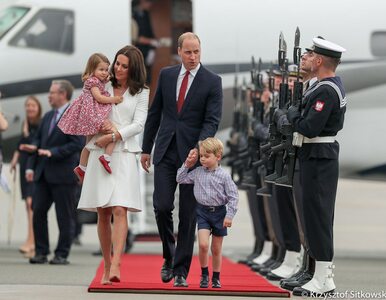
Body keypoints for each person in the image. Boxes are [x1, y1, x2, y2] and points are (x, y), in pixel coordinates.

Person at [141, 32, 223, 287]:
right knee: (162, 206)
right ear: (179, 51)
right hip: (165, 151)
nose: (193, 57)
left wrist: (199, 150)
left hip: (193, 157)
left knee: (188, 215)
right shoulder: (166, 75)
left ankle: (180, 272)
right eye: (188, 52)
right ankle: (169, 255)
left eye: (197, 51)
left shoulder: (212, 81)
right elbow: (155, 113)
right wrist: (146, 149)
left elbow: (212, 120)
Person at [276, 37, 346, 296]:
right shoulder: (321, 87)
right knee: (312, 217)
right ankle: (315, 273)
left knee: (318, 218)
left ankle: (324, 279)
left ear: (319, 61)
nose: (307, 57)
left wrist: (291, 114)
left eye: (311, 54)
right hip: (313, 154)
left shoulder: (327, 90)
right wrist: (295, 114)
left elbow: (308, 126)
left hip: (320, 155)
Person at [78, 45, 149, 285]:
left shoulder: (142, 92)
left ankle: (117, 261)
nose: (117, 68)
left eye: (123, 66)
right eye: (116, 63)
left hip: (124, 152)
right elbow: (87, 114)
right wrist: (101, 129)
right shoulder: (100, 85)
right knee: (103, 211)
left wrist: (116, 134)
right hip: (100, 150)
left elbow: (139, 124)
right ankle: (107, 265)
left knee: (120, 208)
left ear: (133, 69)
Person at [24, 80, 84, 265]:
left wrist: (53, 152)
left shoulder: (74, 116)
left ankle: (61, 254)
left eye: (52, 92)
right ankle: (41, 251)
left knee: (64, 216)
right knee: (38, 211)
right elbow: (38, 142)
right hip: (43, 174)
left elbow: (77, 144)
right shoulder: (48, 116)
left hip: (63, 175)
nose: (49, 96)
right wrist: (29, 165)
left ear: (63, 94)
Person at [176, 137, 238, 289]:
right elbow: (180, 178)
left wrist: (229, 216)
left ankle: (216, 277)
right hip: (202, 212)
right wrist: (187, 165)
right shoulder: (197, 172)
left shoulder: (224, 176)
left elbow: (233, 196)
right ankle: (204, 274)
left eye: (206, 156)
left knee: (216, 249)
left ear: (218, 156)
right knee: (203, 245)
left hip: (220, 214)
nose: (202, 159)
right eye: (201, 156)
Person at [58, 53, 123, 179]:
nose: (104, 73)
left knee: (89, 143)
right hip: (93, 115)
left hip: (89, 115)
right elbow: (99, 97)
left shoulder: (97, 80)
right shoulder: (93, 82)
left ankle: (81, 167)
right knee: (114, 133)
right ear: (92, 69)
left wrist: (109, 78)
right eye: (101, 70)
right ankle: (106, 157)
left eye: (106, 70)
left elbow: (107, 80)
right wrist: (114, 99)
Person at [10, 96, 42, 257]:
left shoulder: (40, 123)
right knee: (28, 204)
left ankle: (33, 240)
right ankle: (30, 239)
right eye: (27, 105)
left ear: (38, 107)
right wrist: (14, 162)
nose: (30, 108)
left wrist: (27, 137)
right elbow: (20, 146)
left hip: (34, 166)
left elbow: (35, 145)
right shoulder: (26, 123)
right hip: (24, 165)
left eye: (32, 105)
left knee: (32, 203)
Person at [132, 0, 159, 84]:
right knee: (138, 75)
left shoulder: (146, 14)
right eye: (148, 3)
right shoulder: (133, 14)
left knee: (147, 77)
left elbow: (150, 31)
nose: (150, 5)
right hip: (138, 49)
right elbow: (136, 37)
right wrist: (150, 41)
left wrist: (154, 43)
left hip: (148, 49)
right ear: (142, 2)